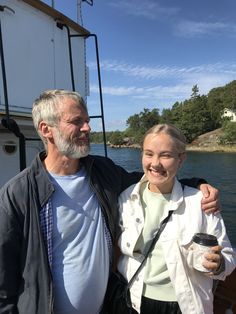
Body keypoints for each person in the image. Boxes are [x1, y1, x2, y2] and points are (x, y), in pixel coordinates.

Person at [0, 90, 220, 314]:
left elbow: (150, 179)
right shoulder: (18, 194)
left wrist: (196, 184)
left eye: (86, 121)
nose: (87, 128)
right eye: (77, 121)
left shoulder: (102, 172)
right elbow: (3, 285)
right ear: (47, 129)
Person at [117, 123, 236, 314]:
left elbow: (228, 257)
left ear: (181, 159)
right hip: (136, 300)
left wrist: (219, 263)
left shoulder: (201, 202)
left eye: (165, 155)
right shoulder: (126, 198)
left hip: (185, 304)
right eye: (149, 154)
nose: (155, 163)